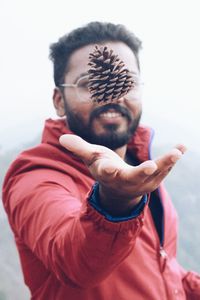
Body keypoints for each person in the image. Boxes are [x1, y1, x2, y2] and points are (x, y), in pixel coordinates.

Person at [2, 21, 200, 300]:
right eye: (89, 84)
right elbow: (74, 260)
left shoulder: (141, 163)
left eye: (124, 82)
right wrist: (115, 204)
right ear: (59, 100)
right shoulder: (35, 174)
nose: (113, 95)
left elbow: (162, 266)